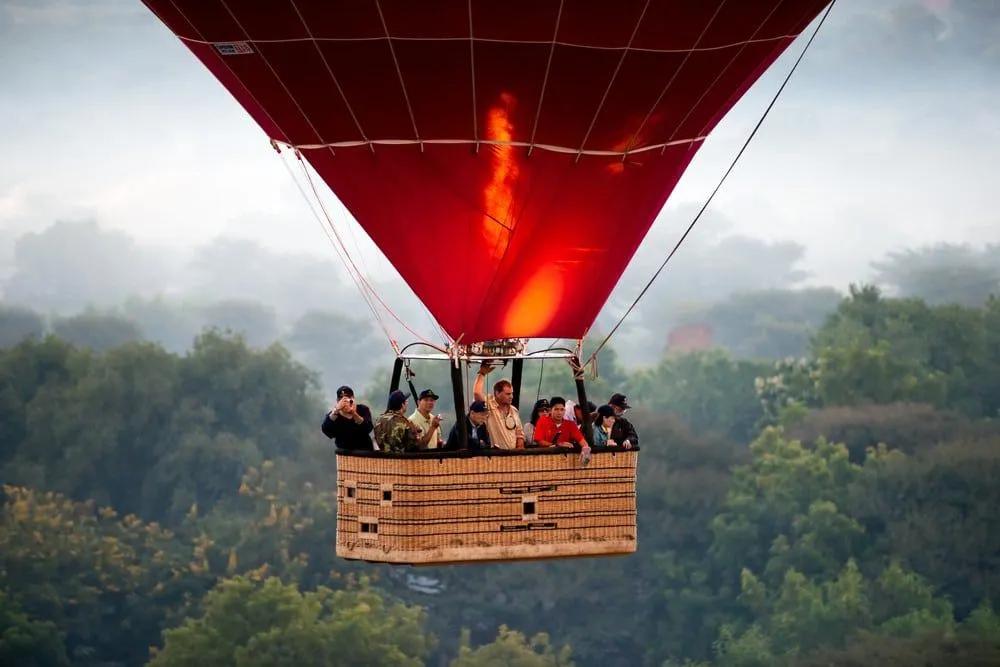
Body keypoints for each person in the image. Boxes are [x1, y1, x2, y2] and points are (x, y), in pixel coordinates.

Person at [473, 362, 525, 449]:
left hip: (513, 455)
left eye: (512, 393)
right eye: (508, 394)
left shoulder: (514, 410)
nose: (511, 396)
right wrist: (482, 374)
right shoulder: (489, 405)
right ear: (497, 393)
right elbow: (477, 393)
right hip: (496, 455)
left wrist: (520, 448)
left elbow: (519, 433)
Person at [321, 385, 374, 451]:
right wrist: (336, 411)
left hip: (364, 451)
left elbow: (368, 428)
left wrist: (354, 414)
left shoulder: (363, 409)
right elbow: (326, 430)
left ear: (353, 398)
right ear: (337, 401)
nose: (346, 403)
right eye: (342, 400)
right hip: (344, 453)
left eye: (348, 399)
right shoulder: (334, 415)